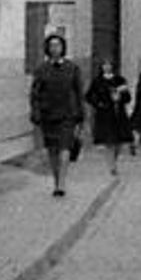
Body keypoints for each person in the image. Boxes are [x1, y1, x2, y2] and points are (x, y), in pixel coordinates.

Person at [30, 33, 83, 197]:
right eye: (52, 45)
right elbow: (34, 93)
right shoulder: (41, 69)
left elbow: (78, 91)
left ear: (63, 48)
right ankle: (56, 181)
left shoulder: (72, 68)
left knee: (65, 147)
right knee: (52, 150)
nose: (55, 48)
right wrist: (35, 112)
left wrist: (80, 114)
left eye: (58, 45)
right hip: (48, 114)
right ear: (47, 48)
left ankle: (62, 182)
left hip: (67, 113)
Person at [85, 58, 134, 175]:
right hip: (105, 113)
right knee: (109, 141)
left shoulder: (120, 80)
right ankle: (112, 165)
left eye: (109, 64)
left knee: (119, 141)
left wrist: (120, 97)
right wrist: (98, 103)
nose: (107, 67)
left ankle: (114, 160)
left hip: (119, 113)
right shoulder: (97, 81)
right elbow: (88, 96)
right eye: (104, 65)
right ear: (101, 67)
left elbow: (128, 97)